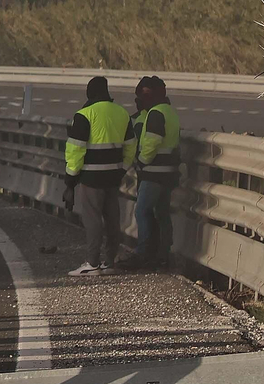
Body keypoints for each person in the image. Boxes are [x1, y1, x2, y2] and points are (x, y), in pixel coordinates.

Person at [62, 76, 135, 277]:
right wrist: (122, 169)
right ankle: (110, 261)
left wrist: (70, 180)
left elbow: (76, 151)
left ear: (89, 93)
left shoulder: (85, 114)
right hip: (113, 176)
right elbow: (131, 146)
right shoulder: (122, 113)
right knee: (112, 218)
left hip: (91, 177)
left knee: (93, 219)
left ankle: (92, 262)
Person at [126, 76, 181, 269]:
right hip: (168, 173)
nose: (140, 100)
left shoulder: (156, 113)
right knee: (162, 213)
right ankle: (163, 255)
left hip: (154, 172)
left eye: (142, 95)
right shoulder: (170, 112)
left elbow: (152, 142)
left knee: (142, 211)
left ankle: (144, 254)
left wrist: (141, 162)